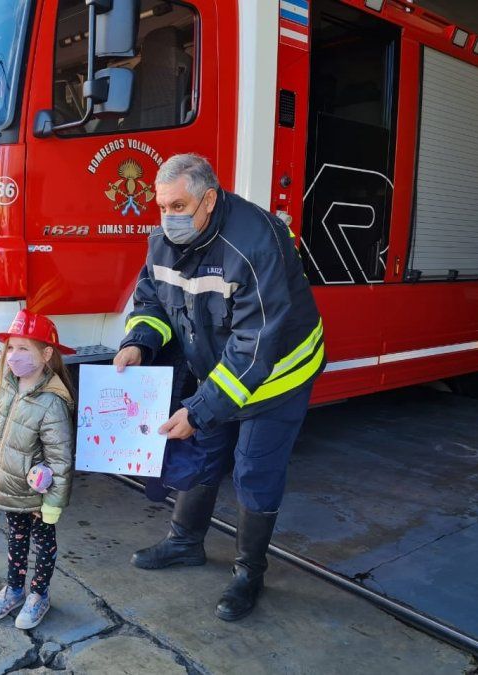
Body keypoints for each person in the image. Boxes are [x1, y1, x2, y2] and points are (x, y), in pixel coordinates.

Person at [114, 153, 325, 621]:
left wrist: (200, 410)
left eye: (178, 206)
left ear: (208, 200)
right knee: (203, 452)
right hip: (221, 369)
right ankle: (185, 543)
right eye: (161, 206)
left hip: (278, 373)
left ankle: (249, 573)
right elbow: (151, 302)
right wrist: (138, 343)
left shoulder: (256, 243)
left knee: (253, 468)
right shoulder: (163, 242)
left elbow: (255, 346)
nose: (168, 217)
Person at [0, 309, 76, 629]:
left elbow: (60, 458)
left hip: (37, 496)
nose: (14, 356)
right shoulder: (4, 388)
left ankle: (39, 594)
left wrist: (53, 503)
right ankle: (14, 590)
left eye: (23, 348)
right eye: (11, 348)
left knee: (43, 543)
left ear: (46, 355)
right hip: (11, 489)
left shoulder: (53, 401)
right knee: (16, 540)